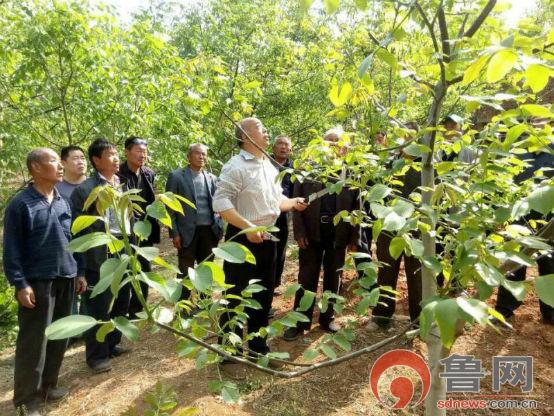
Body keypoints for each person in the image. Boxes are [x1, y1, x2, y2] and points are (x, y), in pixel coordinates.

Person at [213, 117, 308, 355]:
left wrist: (293, 202)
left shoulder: (268, 164)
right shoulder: (235, 166)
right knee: (235, 293)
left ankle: (257, 346)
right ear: (245, 137)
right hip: (242, 238)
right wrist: (248, 228)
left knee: (264, 294)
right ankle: (229, 349)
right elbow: (221, 202)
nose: (267, 132)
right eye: (261, 129)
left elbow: (276, 200)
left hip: (268, 237)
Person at [3, 148, 87, 415]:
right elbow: (12, 249)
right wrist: (20, 283)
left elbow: (73, 241)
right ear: (36, 168)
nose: (59, 166)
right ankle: (27, 399)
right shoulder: (21, 204)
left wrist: (79, 271)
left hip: (66, 276)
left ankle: (49, 385)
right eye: (53, 161)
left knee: (60, 335)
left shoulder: (63, 201)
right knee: (34, 340)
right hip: (38, 281)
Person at [283, 129, 360, 341]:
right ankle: (299, 322)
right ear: (321, 144)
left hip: (339, 234)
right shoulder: (307, 169)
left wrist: (355, 238)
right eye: (329, 141)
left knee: (333, 278)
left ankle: (327, 318)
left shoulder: (351, 171)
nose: (333, 145)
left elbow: (357, 207)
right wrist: (298, 231)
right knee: (306, 279)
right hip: (311, 233)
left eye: (337, 141)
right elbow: (297, 201)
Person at [71, 138, 131, 373]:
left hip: (123, 248)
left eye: (117, 154)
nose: (116, 159)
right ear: (96, 160)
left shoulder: (121, 183)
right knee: (98, 305)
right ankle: (96, 356)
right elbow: (78, 232)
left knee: (122, 298)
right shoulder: (85, 191)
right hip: (99, 254)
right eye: (111, 155)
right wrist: (81, 269)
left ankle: (111, 344)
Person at [494, 142, 554, 325]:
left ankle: (550, 311)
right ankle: (505, 309)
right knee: (513, 265)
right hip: (518, 219)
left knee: (550, 265)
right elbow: (503, 184)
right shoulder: (517, 152)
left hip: (548, 220)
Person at [165, 143, 223, 300]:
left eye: (204, 154)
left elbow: (219, 205)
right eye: (198, 153)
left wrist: (220, 226)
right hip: (186, 232)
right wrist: (174, 233)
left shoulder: (212, 178)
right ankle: (183, 304)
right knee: (185, 270)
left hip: (209, 232)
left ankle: (205, 302)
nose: (201, 157)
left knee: (207, 268)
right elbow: (169, 208)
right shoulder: (176, 176)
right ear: (189, 156)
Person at [118, 136, 160, 318]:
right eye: (138, 151)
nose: (142, 155)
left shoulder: (148, 173)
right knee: (125, 270)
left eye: (145, 151)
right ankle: (121, 308)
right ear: (126, 152)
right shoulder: (117, 174)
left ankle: (137, 309)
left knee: (144, 269)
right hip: (125, 231)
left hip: (145, 229)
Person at [271, 135, 293, 294]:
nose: (283, 147)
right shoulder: (263, 163)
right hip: (264, 212)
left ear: (290, 149)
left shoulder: (295, 169)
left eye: (286, 145)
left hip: (284, 214)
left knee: (280, 250)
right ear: (273, 148)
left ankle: (274, 284)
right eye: (280, 144)